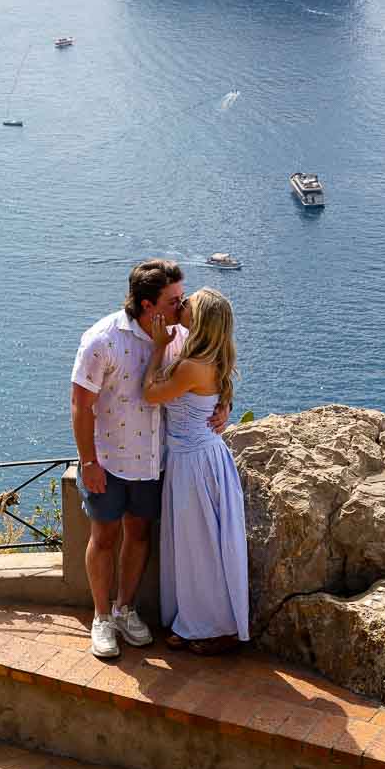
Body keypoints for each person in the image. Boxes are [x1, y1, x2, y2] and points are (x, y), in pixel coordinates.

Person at [70, 259, 228, 659]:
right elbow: (79, 404)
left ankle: (126, 609)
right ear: (147, 305)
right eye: (175, 300)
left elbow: (213, 367)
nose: (183, 305)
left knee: (139, 536)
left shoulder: (177, 338)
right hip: (109, 461)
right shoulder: (101, 340)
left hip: (156, 462)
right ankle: (102, 618)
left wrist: (223, 402)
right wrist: (88, 462)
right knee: (104, 538)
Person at [143, 286, 249, 654]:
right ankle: (203, 623)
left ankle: (212, 627)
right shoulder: (214, 358)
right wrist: (225, 408)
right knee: (203, 546)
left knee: (199, 547)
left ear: (199, 320)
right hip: (204, 458)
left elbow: (151, 394)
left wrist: (157, 347)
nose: (183, 303)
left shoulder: (190, 365)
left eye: (190, 303)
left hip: (193, 464)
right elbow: (216, 399)